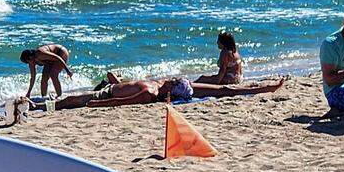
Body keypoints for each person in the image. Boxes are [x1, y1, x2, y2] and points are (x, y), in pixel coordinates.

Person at [50, 76, 286, 110]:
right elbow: (225, 91)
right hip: (114, 85)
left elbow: (120, 102)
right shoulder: (164, 85)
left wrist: (97, 105)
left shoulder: (151, 94)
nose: (173, 78)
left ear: (172, 89)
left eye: (174, 81)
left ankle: (45, 107)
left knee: (70, 102)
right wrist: (266, 88)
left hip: (103, 95)